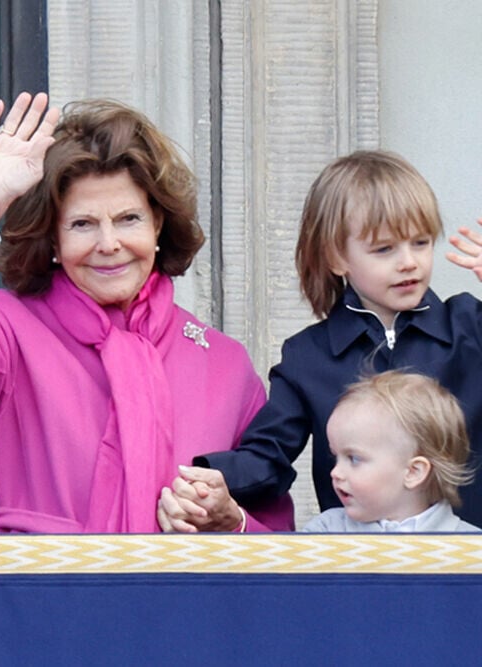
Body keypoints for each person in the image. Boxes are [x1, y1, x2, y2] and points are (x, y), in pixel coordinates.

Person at [0, 94, 293, 533]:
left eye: (128, 219)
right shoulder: (10, 331)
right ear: (52, 237)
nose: (109, 244)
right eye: (83, 224)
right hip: (40, 597)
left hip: (182, 601)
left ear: (158, 223)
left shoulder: (223, 363)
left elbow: (275, 539)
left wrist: (231, 522)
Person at [159, 151, 482, 531]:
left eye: (421, 242)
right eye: (384, 249)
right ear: (337, 257)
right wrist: (203, 480)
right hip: (353, 564)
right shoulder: (308, 355)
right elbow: (268, 457)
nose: (409, 262)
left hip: (466, 563)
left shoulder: (469, 326)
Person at [302, 371, 478, 532]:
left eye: (354, 459)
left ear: (413, 472)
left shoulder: (469, 546)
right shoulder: (325, 532)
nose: (335, 472)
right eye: (335, 457)